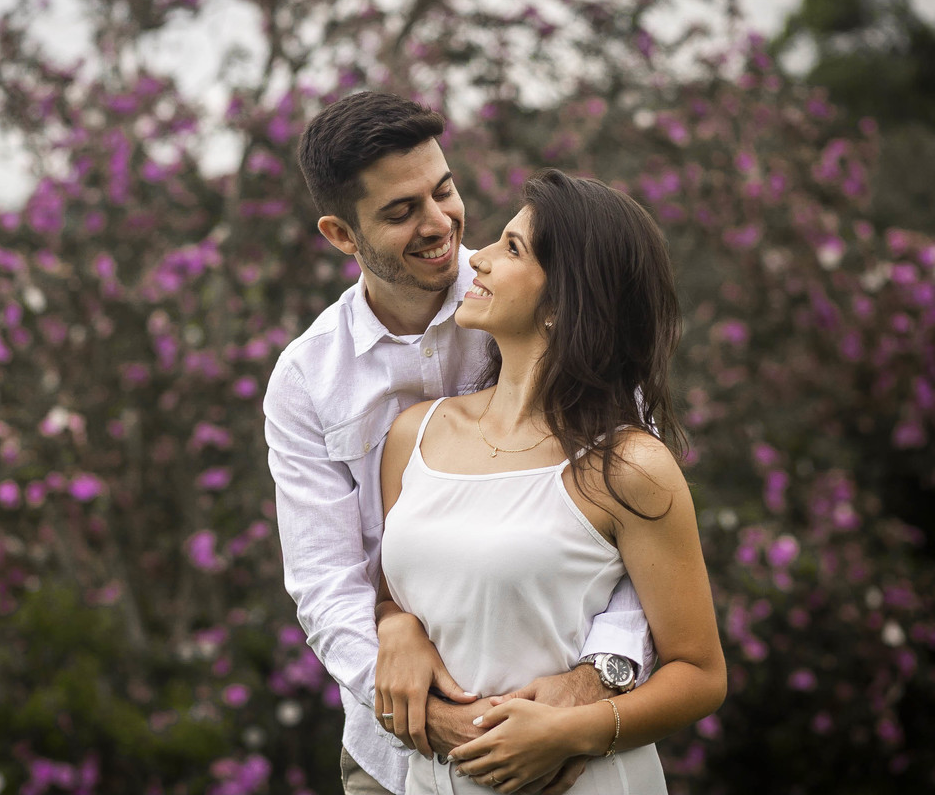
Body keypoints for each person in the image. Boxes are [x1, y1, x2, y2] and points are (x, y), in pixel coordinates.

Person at [264, 91, 654, 795]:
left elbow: (642, 514)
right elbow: (324, 580)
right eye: (400, 211)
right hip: (394, 753)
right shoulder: (307, 380)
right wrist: (400, 654)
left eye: (443, 190)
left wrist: (594, 680)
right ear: (341, 235)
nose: (439, 222)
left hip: (565, 734)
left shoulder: (537, 294)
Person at [376, 169, 727, 793]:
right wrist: (392, 625)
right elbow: (397, 594)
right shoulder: (413, 435)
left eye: (510, 249)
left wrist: (576, 731)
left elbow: (699, 672)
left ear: (564, 303)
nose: (474, 259)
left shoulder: (628, 468)